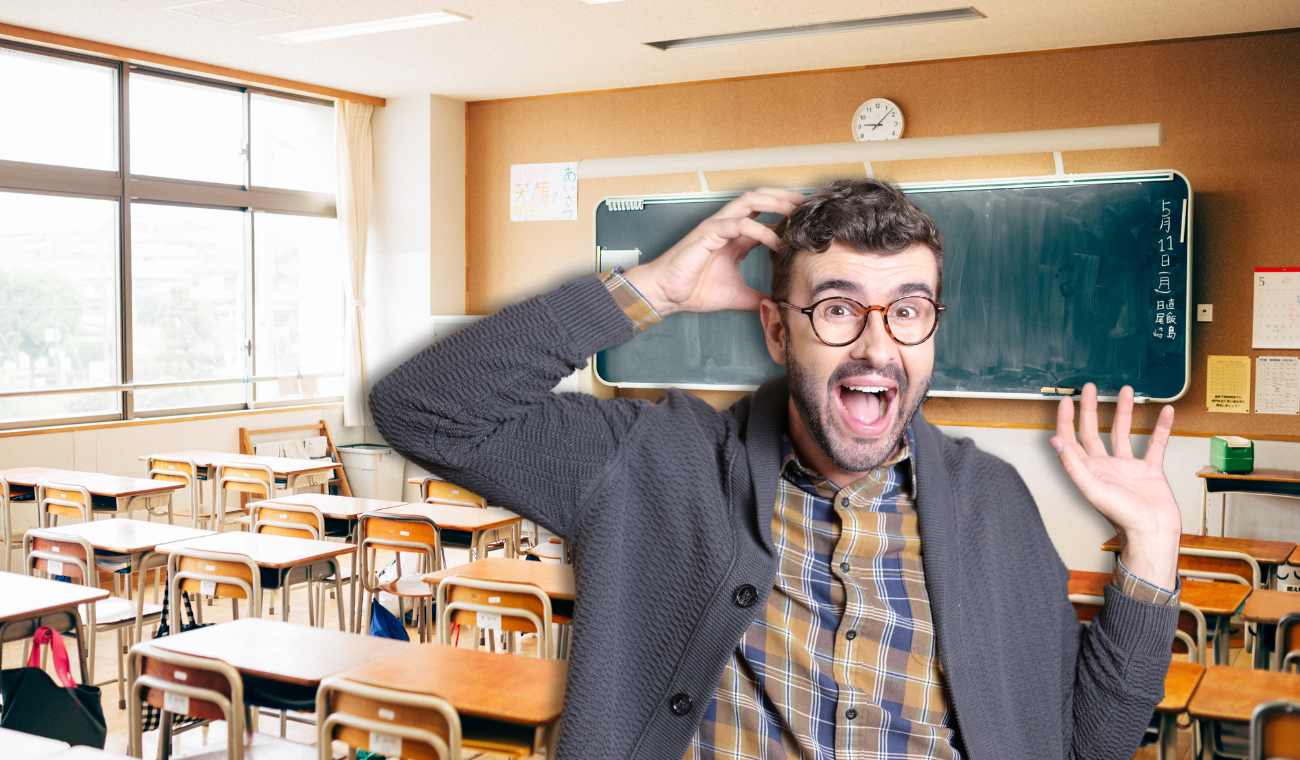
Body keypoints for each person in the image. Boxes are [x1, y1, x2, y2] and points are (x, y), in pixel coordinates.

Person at [371, 179, 1182, 760]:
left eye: (907, 310)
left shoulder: (992, 506)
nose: (877, 345)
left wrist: (1150, 545)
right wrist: (649, 288)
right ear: (776, 329)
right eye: (836, 309)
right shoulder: (657, 464)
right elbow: (423, 407)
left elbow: (1086, 740)